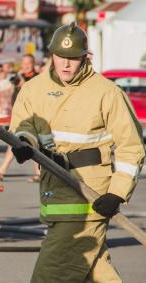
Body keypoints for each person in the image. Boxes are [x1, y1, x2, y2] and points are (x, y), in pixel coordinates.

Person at [9, 22, 145, 282]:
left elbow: (131, 146)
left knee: (50, 276)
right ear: (51, 55)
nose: (66, 64)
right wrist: (24, 142)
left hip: (90, 200)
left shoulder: (107, 92)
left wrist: (117, 192)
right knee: (96, 273)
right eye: (61, 57)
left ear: (85, 56)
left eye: (73, 58)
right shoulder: (33, 89)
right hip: (53, 192)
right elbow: (24, 125)